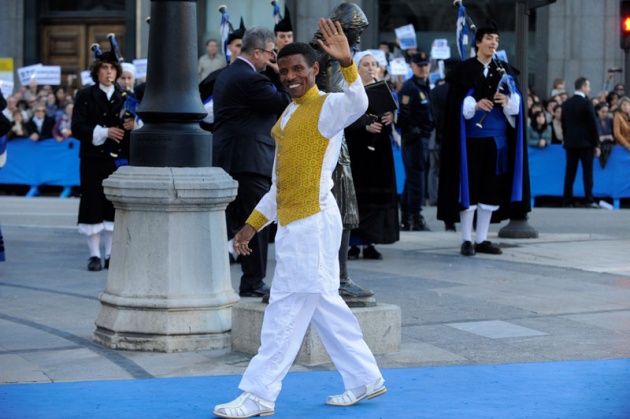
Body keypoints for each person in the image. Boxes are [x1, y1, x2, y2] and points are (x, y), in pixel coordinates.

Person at [213, 23, 385, 419]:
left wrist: (348, 63)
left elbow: (358, 103)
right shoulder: (288, 115)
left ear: (313, 71)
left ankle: (259, 395)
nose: (290, 76)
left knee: (285, 311)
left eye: (298, 70)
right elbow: (278, 186)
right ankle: (365, 377)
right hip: (295, 223)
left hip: (313, 223)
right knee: (324, 304)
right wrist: (251, 225)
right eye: (284, 70)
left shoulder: (328, 106)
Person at [437, 21, 529, 256]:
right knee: (470, 189)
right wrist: (475, 104)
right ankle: (466, 239)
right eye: (489, 38)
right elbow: (457, 106)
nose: (493, 43)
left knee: (491, 189)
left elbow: (517, 107)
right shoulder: (465, 70)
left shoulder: (505, 71)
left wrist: (507, 103)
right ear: (478, 42)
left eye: (496, 40)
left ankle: (483, 239)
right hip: (471, 141)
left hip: (498, 144)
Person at [212, 26, 291, 297]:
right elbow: (283, 101)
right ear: (257, 52)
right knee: (256, 221)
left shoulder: (229, 73)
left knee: (238, 221)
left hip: (232, 158)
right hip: (249, 161)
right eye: (271, 53)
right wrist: (276, 72)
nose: (273, 58)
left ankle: (249, 279)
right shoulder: (251, 79)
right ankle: (253, 282)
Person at [71, 39, 135, 271]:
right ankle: (94, 255)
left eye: (112, 68)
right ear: (97, 71)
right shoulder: (85, 95)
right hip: (92, 159)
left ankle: (110, 254)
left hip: (116, 160)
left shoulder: (125, 96)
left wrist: (132, 125)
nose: (108, 72)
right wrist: (104, 132)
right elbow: (77, 127)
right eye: (104, 68)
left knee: (112, 205)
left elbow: (135, 128)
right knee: (92, 203)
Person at [344, 51, 399, 260]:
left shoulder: (384, 89)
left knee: (377, 197)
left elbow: (395, 117)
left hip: (380, 150)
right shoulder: (352, 91)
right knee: (358, 198)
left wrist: (391, 117)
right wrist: (364, 128)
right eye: (365, 64)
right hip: (358, 150)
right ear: (357, 68)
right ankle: (354, 244)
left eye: (373, 64)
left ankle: (370, 242)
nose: (370, 68)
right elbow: (344, 122)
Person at [397, 51, 434, 232]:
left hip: (423, 138)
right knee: (417, 178)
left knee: (413, 178)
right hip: (415, 139)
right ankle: (415, 217)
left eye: (426, 65)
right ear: (412, 67)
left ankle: (406, 216)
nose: (423, 68)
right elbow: (403, 114)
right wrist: (412, 131)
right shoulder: (409, 87)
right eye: (420, 66)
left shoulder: (424, 84)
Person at [198, 18, 245, 133]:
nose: (243, 50)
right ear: (230, 47)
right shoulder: (216, 76)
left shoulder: (258, 76)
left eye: (245, 46)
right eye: (238, 45)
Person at [561, 77, 600, 208]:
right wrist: (597, 143)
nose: (589, 89)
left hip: (571, 143)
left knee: (569, 173)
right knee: (587, 172)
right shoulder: (587, 103)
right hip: (586, 143)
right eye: (588, 86)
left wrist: (566, 140)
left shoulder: (566, 104)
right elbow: (593, 125)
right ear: (582, 87)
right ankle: (589, 199)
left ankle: (567, 201)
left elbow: (564, 125)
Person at [430, 58, 460, 231]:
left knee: (445, 180)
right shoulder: (462, 91)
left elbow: (433, 117)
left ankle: (449, 220)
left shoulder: (436, 92)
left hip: (443, 140)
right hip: (459, 141)